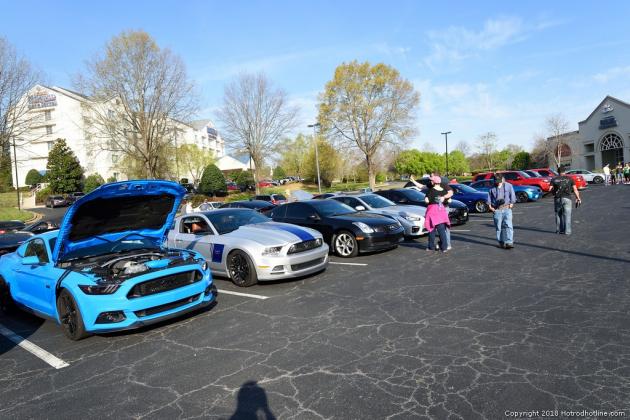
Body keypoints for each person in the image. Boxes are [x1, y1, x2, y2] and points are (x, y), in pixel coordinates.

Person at [410, 173, 454, 249]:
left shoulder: (443, 185)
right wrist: (413, 181)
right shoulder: (431, 185)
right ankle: (442, 245)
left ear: (436, 177)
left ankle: (446, 245)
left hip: (442, 208)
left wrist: (443, 197)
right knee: (439, 229)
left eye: (431, 176)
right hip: (439, 209)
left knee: (442, 229)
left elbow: (451, 193)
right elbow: (422, 186)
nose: (430, 178)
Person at [487, 173, 516, 249]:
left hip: (507, 208)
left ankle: (509, 242)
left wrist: (511, 203)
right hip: (497, 209)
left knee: (508, 225)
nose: (498, 183)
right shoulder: (491, 188)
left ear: (502, 179)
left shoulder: (508, 186)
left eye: (499, 181)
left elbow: (512, 195)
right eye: (496, 181)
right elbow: (489, 198)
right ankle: (501, 242)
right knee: (498, 227)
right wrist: (490, 207)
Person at [550, 166, 582, 235]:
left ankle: (560, 230)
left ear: (558, 172)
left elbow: (549, 189)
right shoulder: (570, 179)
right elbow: (575, 189)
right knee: (567, 215)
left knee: (558, 215)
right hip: (567, 199)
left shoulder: (554, 179)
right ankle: (567, 232)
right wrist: (578, 198)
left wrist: (554, 191)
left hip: (557, 199)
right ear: (564, 171)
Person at [423, 175, 451, 252]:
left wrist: (427, 200)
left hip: (432, 211)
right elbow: (449, 201)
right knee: (442, 230)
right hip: (441, 211)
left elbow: (427, 201)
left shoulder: (430, 190)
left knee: (431, 230)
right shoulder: (444, 191)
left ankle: (430, 247)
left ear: (433, 182)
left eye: (432, 181)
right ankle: (444, 248)